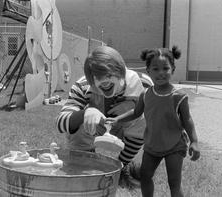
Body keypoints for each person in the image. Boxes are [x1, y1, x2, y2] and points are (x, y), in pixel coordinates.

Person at [106, 46, 200, 197]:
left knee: (174, 182)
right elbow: (136, 112)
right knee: (145, 176)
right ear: (148, 71)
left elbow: (187, 120)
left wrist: (194, 142)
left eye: (165, 68)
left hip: (174, 145)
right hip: (151, 145)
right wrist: (117, 119)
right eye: (155, 69)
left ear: (173, 69)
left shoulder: (179, 96)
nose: (161, 73)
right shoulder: (146, 94)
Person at [55, 46, 153, 189]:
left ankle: (120, 168)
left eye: (108, 75)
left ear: (120, 70)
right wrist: (86, 113)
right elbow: (60, 122)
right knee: (77, 121)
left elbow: (160, 115)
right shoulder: (82, 87)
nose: (104, 81)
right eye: (97, 77)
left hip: (126, 129)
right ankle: (85, 168)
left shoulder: (144, 85)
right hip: (93, 131)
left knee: (146, 120)